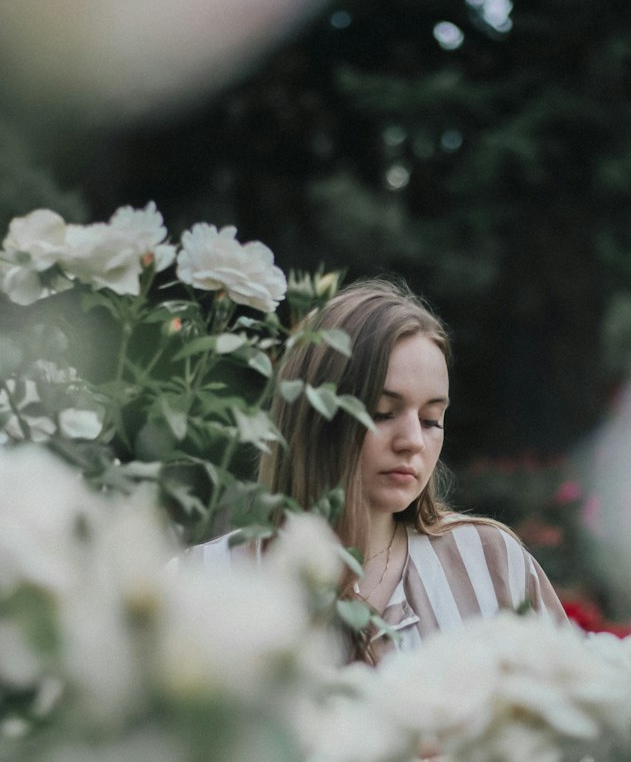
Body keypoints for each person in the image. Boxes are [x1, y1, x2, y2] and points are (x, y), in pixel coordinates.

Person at [198, 278, 567, 660]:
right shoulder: (206, 582)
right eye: (382, 412)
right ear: (313, 417)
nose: (412, 441)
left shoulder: (492, 564)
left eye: (430, 419)